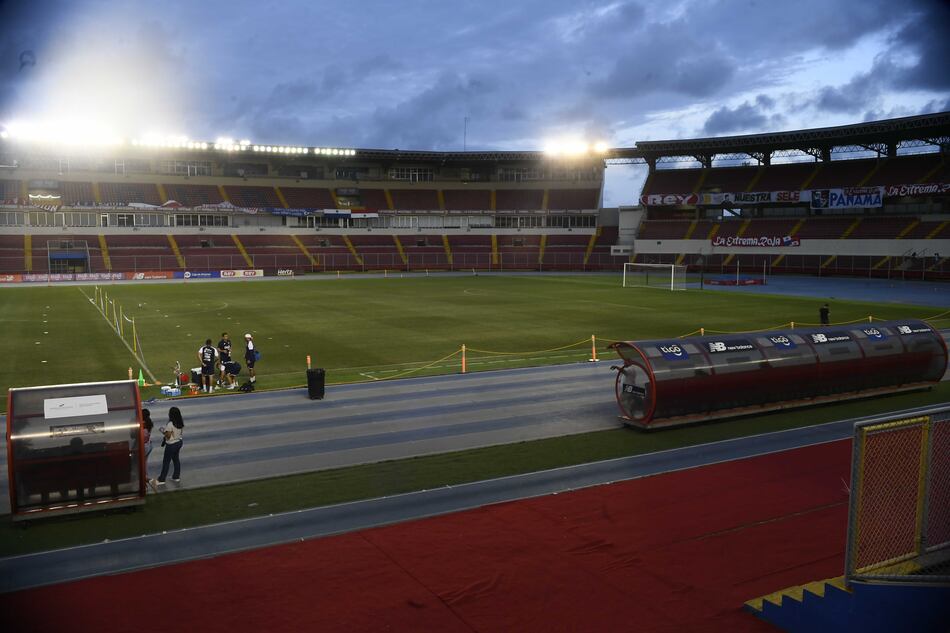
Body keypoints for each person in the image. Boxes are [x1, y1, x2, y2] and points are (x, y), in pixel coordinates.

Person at [154, 406, 184, 485]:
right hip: (179, 442)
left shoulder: (170, 424)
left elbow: (168, 436)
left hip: (171, 445)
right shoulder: (180, 422)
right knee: (176, 460)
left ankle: (162, 479)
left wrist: (162, 430)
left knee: (166, 462)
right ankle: (176, 477)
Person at [142, 408, 157, 492]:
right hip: (148, 445)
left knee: (140, 466)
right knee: (144, 465)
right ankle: (149, 482)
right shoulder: (149, 423)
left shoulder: (143, 425)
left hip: (144, 447)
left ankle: (148, 483)